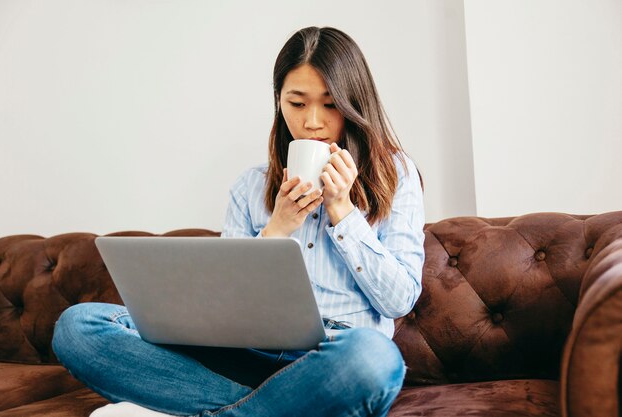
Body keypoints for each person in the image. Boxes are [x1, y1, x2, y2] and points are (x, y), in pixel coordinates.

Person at [52, 26, 425, 417]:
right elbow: (222, 309)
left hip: (333, 359)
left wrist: (343, 212)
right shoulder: (249, 187)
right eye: (297, 104)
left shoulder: (395, 175)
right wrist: (277, 229)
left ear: (354, 104)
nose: (312, 122)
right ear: (278, 102)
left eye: (330, 105)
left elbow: (398, 300)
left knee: (374, 359)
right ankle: (263, 408)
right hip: (244, 358)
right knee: (78, 327)